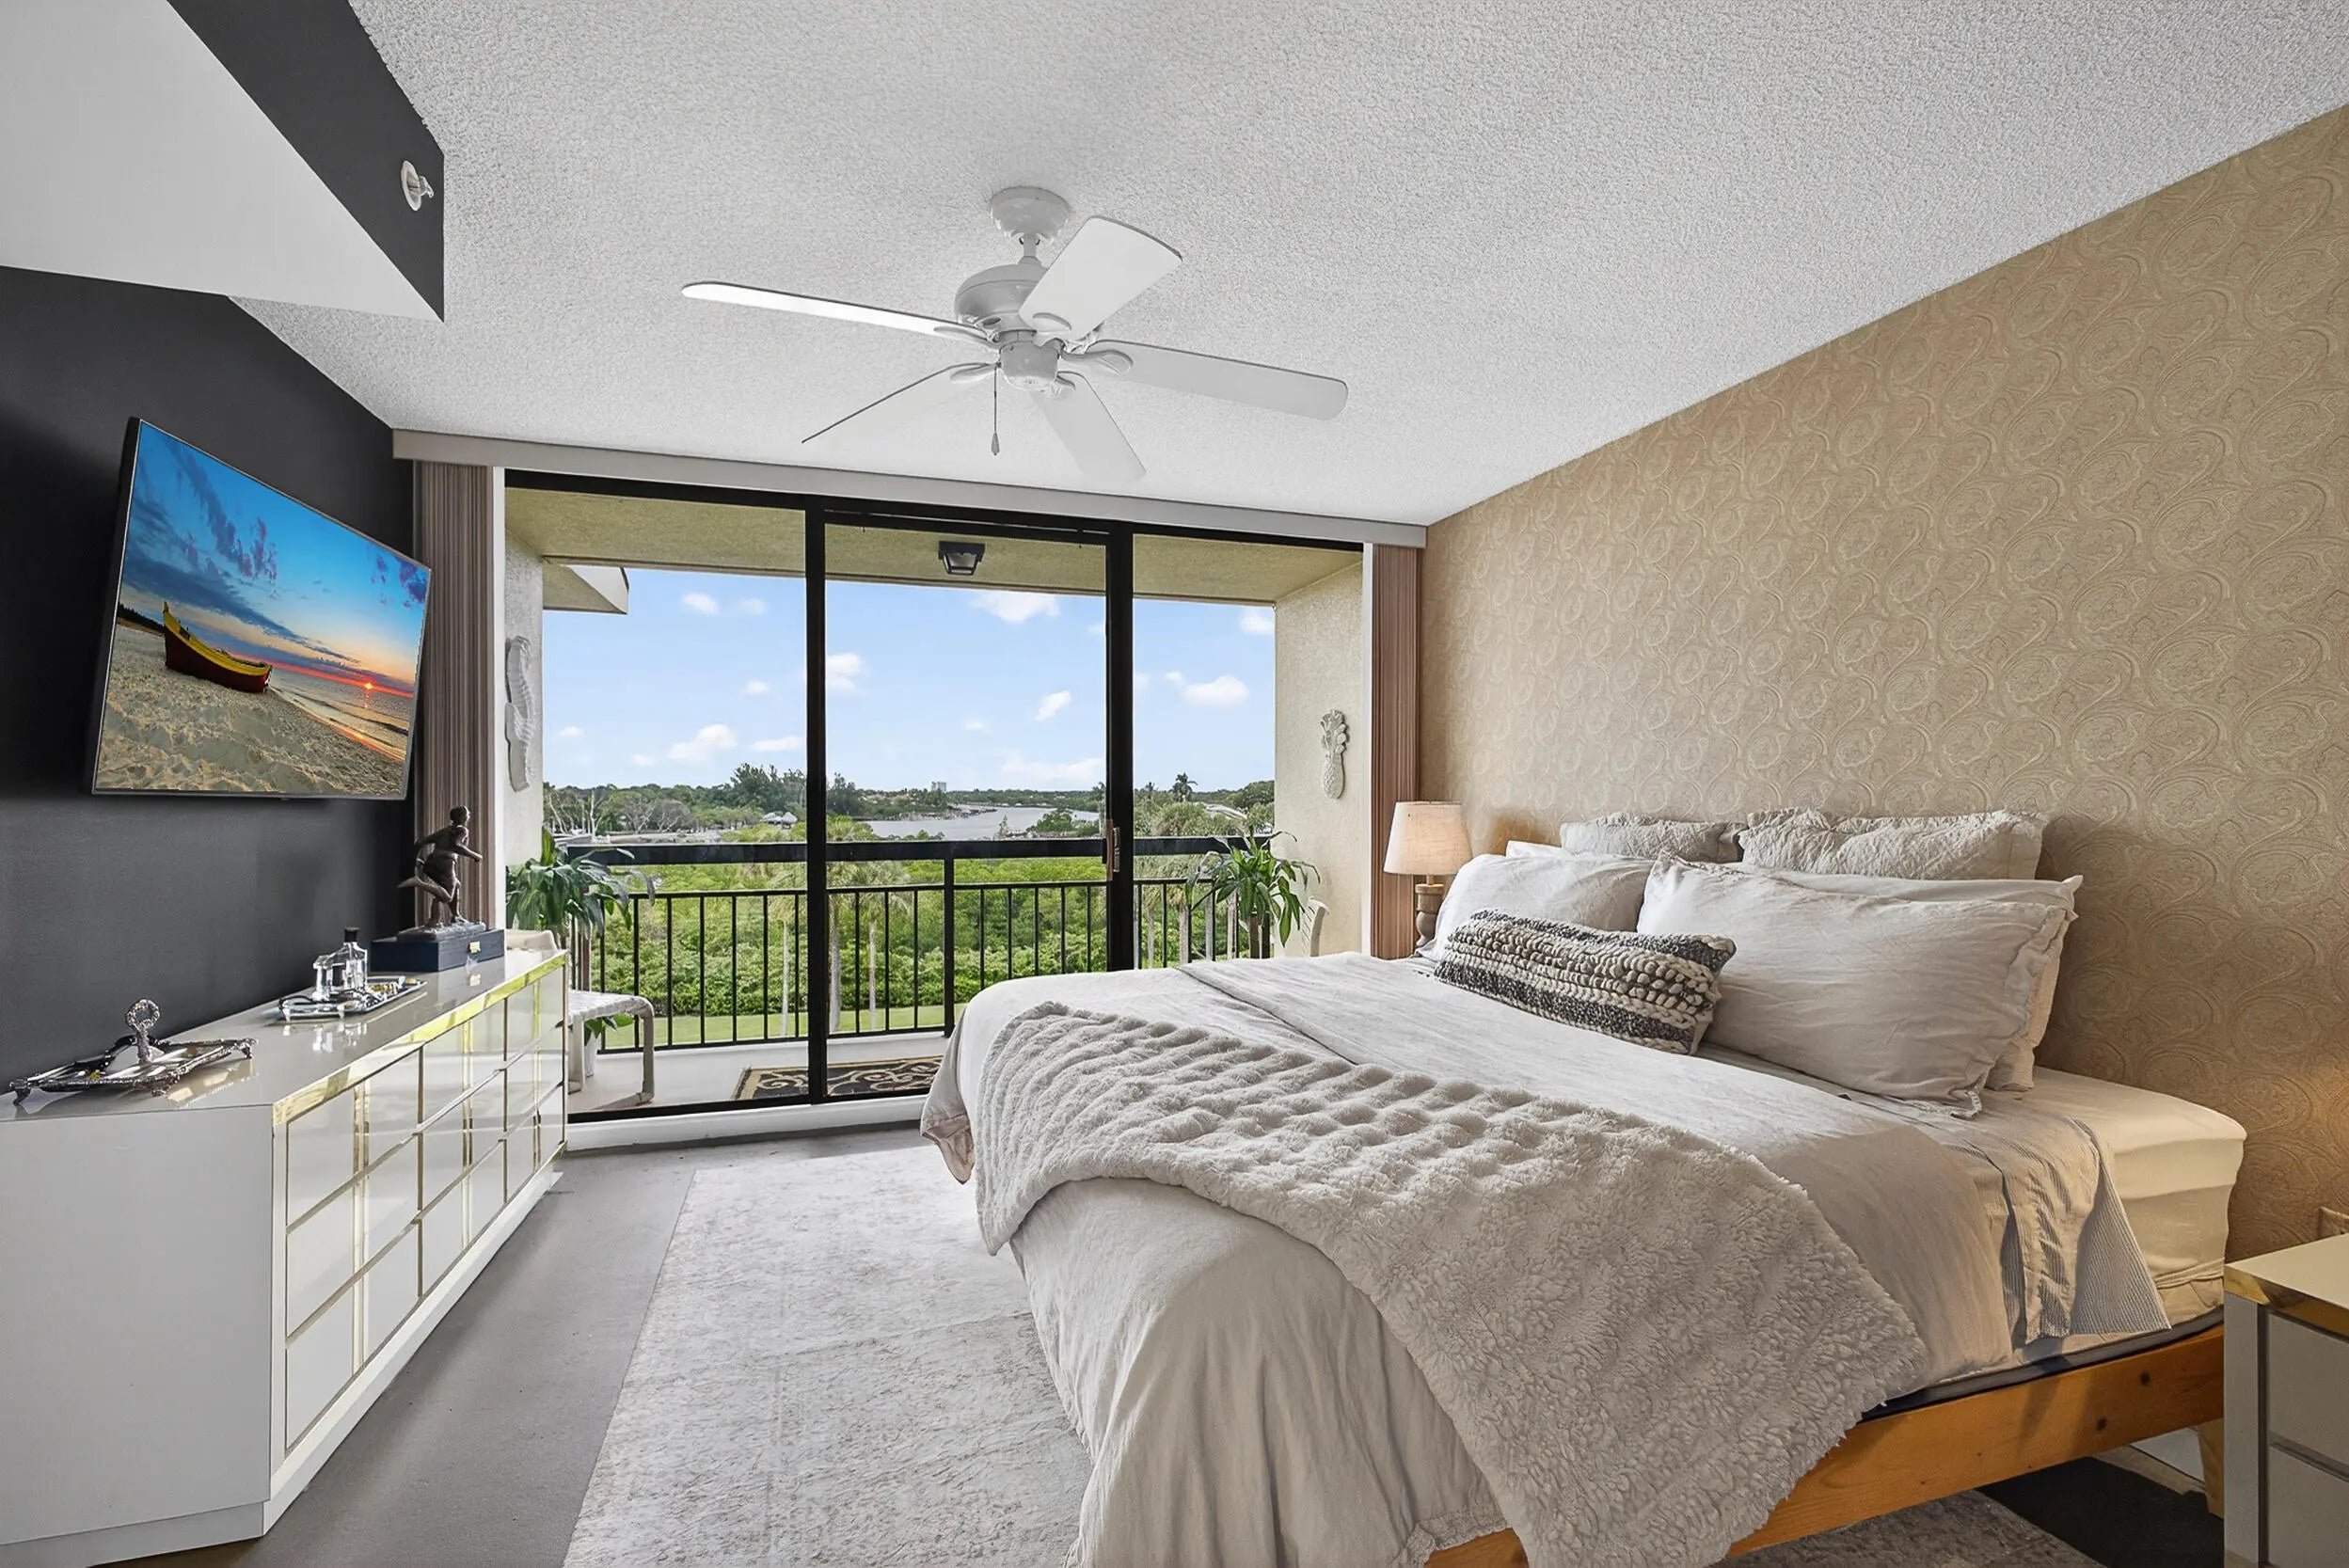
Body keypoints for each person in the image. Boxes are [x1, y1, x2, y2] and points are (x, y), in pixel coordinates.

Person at [400, 805, 484, 928]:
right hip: (445, 864)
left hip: (432, 863)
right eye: (467, 814)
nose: (468, 816)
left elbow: (420, 842)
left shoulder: (445, 831)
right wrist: (475, 856)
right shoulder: (462, 830)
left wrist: (413, 860)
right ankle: (419, 885)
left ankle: (455, 915)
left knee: (456, 885)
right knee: (446, 897)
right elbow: (457, 846)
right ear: (461, 817)